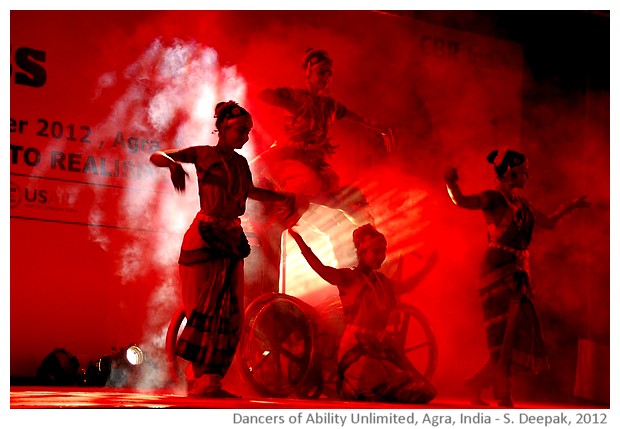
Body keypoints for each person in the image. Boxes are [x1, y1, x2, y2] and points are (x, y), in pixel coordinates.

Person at [150, 100, 294, 397]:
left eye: (249, 131)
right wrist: (175, 165)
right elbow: (158, 156)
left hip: (230, 239)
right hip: (204, 238)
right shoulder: (203, 154)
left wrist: (281, 198)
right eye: (241, 129)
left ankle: (210, 380)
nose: (245, 136)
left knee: (230, 313)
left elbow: (250, 192)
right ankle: (199, 377)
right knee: (204, 311)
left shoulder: (241, 164)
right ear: (223, 128)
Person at [444, 148, 591, 407]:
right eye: (523, 171)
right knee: (503, 337)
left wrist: (572, 206)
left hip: (518, 274)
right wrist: (451, 183)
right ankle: (503, 395)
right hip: (496, 273)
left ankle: (477, 384)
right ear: (510, 172)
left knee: (516, 337)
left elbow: (549, 222)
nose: (527, 176)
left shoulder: (522, 204)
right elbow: (462, 202)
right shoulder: (493, 199)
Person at [248, 48, 395, 295]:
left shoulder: (329, 106)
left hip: (315, 166)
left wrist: (379, 128)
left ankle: (370, 262)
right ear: (308, 73)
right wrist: (269, 101)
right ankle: (276, 226)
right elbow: (262, 95)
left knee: (351, 201)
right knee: (303, 190)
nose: (325, 78)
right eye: (320, 72)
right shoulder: (295, 97)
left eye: (328, 74)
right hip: (291, 161)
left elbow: (357, 118)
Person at [287, 224, 437, 403]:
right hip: (356, 350)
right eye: (376, 252)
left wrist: (427, 268)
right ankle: (356, 385)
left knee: (425, 391)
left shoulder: (381, 281)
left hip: (376, 349)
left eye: (383, 252)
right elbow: (320, 268)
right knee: (383, 391)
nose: (381, 257)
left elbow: (405, 287)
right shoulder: (348, 277)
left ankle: (369, 385)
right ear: (361, 250)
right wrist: (299, 240)